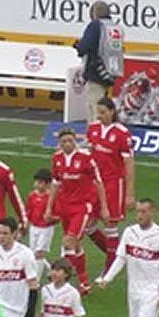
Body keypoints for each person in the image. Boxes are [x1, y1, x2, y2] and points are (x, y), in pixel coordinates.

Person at [45, 126, 108, 292]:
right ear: (59, 143)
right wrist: (49, 207)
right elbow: (56, 184)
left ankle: (61, 278)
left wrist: (104, 208)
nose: (67, 144)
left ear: (76, 141)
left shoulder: (86, 158)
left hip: (82, 206)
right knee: (76, 244)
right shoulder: (57, 158)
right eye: (64, 141)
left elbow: (99, 183)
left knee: (69, 241)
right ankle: (84, 282)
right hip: (65, 206)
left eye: (70, 141)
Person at [86, 97, 135, 271]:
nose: (99, 116)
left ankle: (109, 267)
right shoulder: (92, 129)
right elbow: (90, 156)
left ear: (112, 112)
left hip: (114, 183)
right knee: (88, 225)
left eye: (103, 112)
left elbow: (129, 164)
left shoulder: (122, 133)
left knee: (110, 224)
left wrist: (129, 194)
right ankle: (115, 256)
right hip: (94, 184)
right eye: (97, 112)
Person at [73, 0, 125, 121]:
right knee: (104, 106)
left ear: (94, 13)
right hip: (110, 72)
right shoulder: (115, 27)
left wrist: (78, 46)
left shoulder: (96, 25)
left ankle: (96, 136)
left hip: (96, 71)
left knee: (94, 108)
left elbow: (86, 46)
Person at [26, 168, 57, 278]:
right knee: (33, 253)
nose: (37, 184)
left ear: (48, 184)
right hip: (34, 227)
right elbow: (28, 211)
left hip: (45, 229)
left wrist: (51, 218)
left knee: (39, 253)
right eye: (36, 182)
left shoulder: (51, 198)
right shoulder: (32, 196)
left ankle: (36, 278)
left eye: (40, 182)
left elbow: (58, 216)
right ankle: (51, 270)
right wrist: (25, 223)